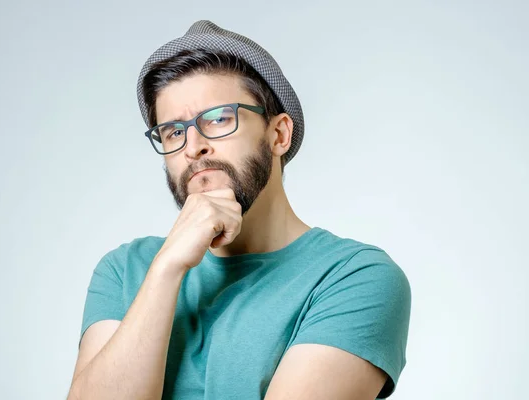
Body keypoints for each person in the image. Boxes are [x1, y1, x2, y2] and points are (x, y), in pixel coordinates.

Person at [67, 20, 411, 400]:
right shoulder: (126, 270)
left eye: (218, 119)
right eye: (173, 131)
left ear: (278, 135)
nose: (192, 147)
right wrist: (166, 270)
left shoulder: (354, 278)